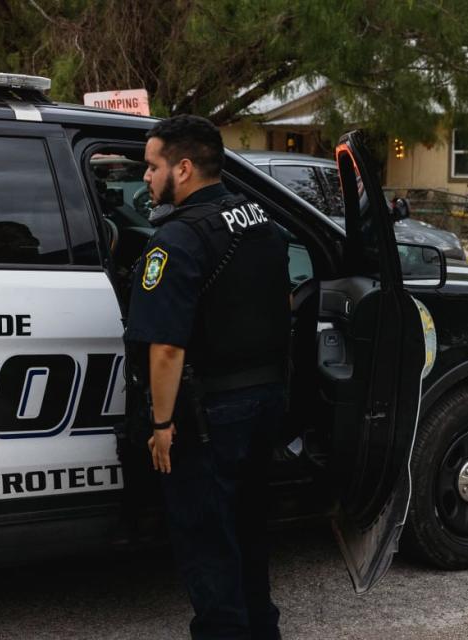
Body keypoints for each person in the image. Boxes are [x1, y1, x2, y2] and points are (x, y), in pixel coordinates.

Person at [123, 115, 290, 639]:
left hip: (208, 417)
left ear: (185, 168)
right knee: (248, 530)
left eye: (152, 167)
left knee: (206, 540)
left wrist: (162, 424)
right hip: (264, 403)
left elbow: (167, 348)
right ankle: (262, 628)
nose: (145, 178)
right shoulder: (262, 220)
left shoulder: (175, 241)